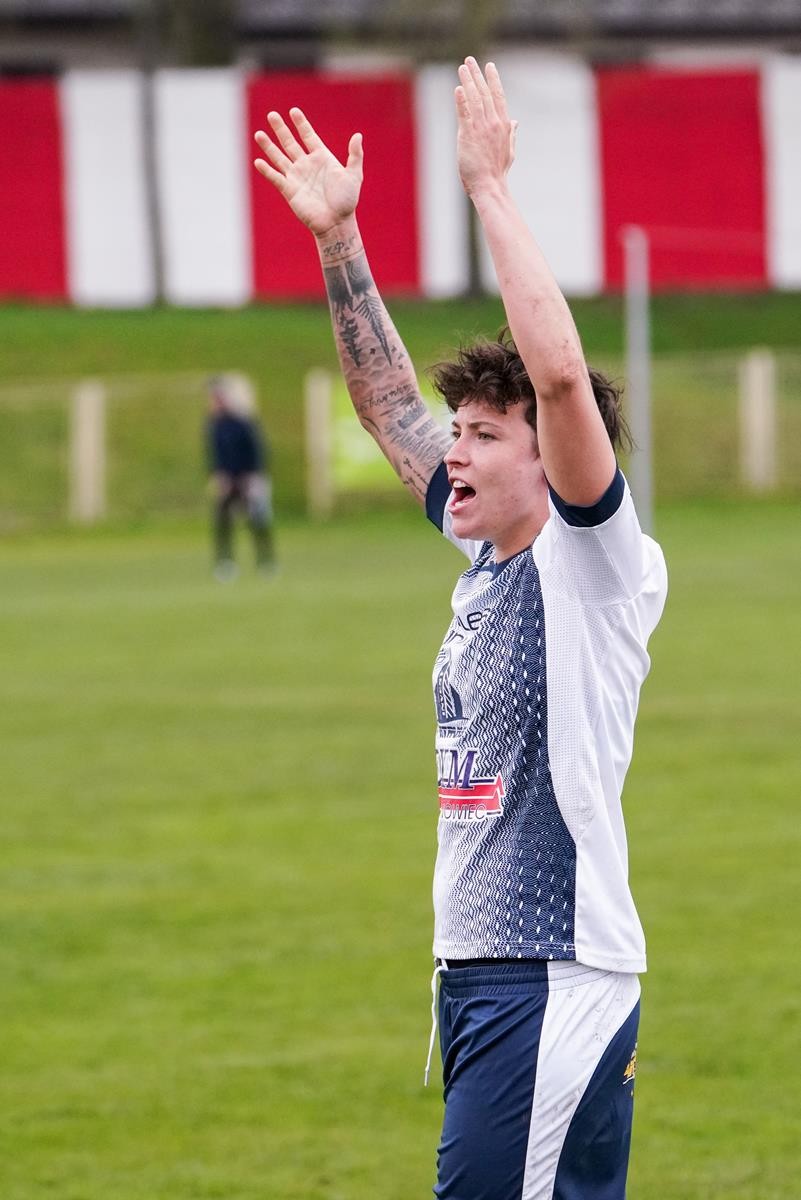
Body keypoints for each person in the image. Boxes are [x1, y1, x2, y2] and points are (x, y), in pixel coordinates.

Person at [254, 56, 667, 1200]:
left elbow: (563, 378)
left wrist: (488, 188)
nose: (456, 452)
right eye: (461, 432)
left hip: (550, 974)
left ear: (552, 460)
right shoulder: (489, 558)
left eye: (486, 434)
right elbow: (390, 406)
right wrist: (340, 239)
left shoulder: (592, 563)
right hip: (489, 979)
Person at [205, 373, 275, 578]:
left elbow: (256, 451)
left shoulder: (243, 422)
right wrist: (218, 475)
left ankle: (266, 561)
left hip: (248, 479)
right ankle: (225, 562)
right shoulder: (214, 424)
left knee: (257, 521)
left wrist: (253, 476)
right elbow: (215, 454)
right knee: (223, 522)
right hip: (227, 480)